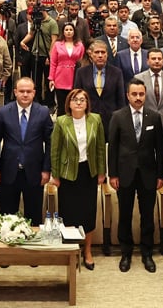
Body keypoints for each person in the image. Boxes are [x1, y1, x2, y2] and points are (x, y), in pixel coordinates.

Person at [106, 77, 163, 273]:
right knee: (125, 214)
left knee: (147, 215)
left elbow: (160, 149)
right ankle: (126, 253)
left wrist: (160, 175)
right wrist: (112, 174)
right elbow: (112, 148)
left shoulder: (154, 117)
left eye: (141, 94)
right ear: (127, 95)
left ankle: (147, 253)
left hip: (149, 173)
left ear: (145, 95)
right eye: (134, 94)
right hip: (124, 174)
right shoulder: (118, 116)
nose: (138, 98)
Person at [49, 88, 107, 270]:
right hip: (68, 174)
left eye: (83, 99)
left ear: (87, 103)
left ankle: (87, 251)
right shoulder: (61, 121)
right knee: (70, 214)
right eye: (75, 99)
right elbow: (55, 150)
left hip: (88, 172)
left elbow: (99, 148)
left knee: (88, 213)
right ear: (69, 103)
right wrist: (55, 175)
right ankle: (72, 250)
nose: (79, 102)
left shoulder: (95, 120)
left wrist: (101, 172)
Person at [0, 76, 52, 225]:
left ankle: (33, 248)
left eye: (28, 91)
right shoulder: (3, 112)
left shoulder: (43, 112)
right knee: (7, 219)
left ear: (34, 93)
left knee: (34, 218)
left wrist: (47, 170)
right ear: (15, 92)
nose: (25, 94)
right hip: (8, 172)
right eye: (21, 91)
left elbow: (50, 143)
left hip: (34, 173)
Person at [47, 22, 84, 114]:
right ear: (63, 32)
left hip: (74, 76)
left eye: (71, 30)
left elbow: (82, 62)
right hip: (60, 76)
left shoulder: (80, 45)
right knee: (61, 105)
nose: (68, 32)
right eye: (66, 30)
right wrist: (51, 78)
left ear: (74, 32)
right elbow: (53, 62)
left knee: (73, 103)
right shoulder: (57, 44)